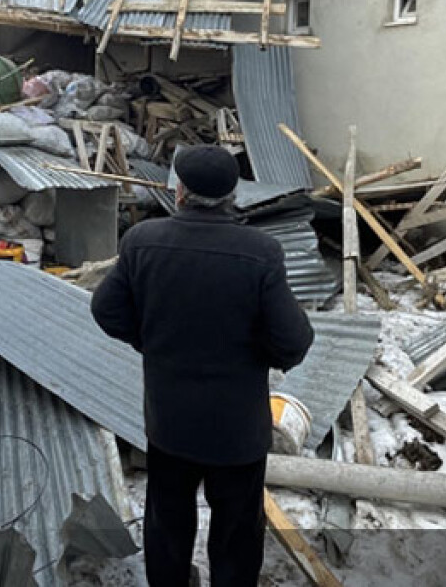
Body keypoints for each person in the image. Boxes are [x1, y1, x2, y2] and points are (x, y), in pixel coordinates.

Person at [91, 145, 314, 587]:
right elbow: (293, 342)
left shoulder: (143, 240)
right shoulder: (261, 252)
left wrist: (152, 342)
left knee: (167, 523)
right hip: (236, 430)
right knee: (236, 532)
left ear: (179, 191)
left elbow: (106, 310)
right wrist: (255, 354)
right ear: (234, 194)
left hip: (170, 421)